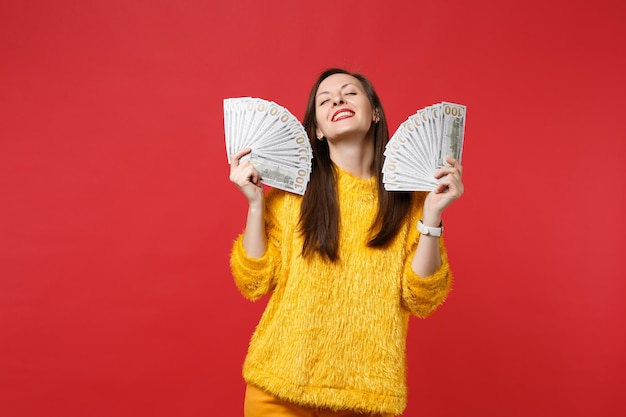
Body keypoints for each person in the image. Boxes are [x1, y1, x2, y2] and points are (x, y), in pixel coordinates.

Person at [228, 68, 464, 417]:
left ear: (376, 112)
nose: (337, 99)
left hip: (366, 398)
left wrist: (432, 215)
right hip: (277, 388)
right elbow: (254, 281)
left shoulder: (409, 200)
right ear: (318, 131)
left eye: (350, 92)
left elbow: (422, 296)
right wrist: (254, 203)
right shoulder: (293, 196)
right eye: (324, 100)